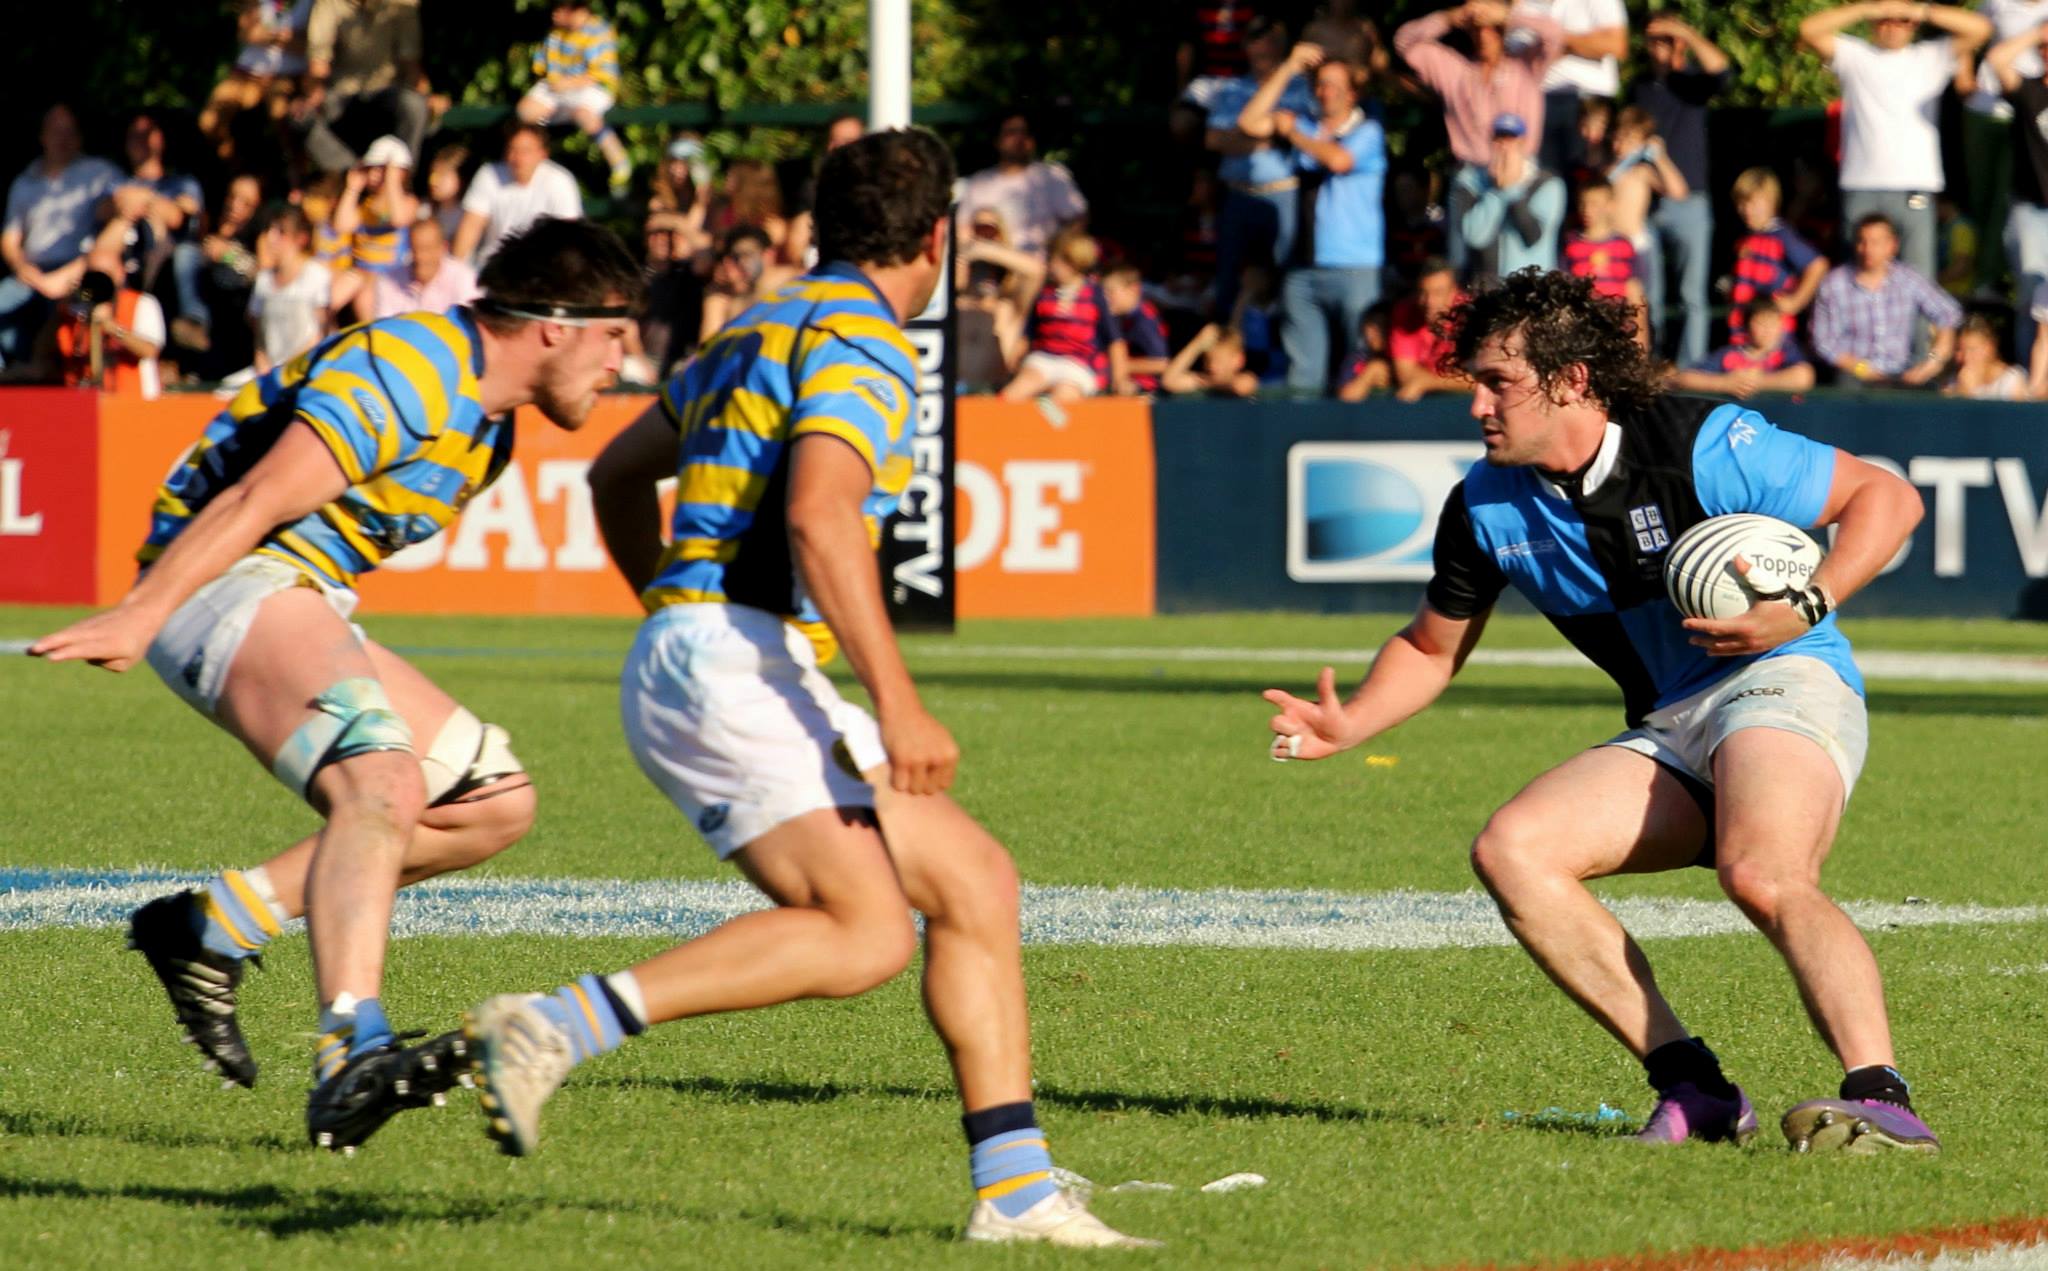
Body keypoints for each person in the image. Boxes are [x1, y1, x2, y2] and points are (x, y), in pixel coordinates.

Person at [464, 130, 1156, 1250]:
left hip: (719, 649)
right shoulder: (864, 347)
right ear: (934, 239)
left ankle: (1016, 1188)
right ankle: (550, 1025)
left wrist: (672, 608)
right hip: (738, 658)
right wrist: (895, 698)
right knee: (866, 931)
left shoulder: (759, 326)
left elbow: (613, 473)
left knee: (974, 878)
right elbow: (820, 515)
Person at [1265, 266, 1934, 1156]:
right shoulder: (1485, 503)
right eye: (1474, 383)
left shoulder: (1699, 440)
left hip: (1784, 678)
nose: (1477, 406)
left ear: (1572, 379)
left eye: (1497, 383)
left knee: (1763, 873)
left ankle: (1880, 1097)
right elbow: (1431, 647)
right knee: (1515, 849)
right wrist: (1350, 721)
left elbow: (1887, 498)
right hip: (1671, 723)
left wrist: (1806, 602)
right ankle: (1693, 1088)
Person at [30, 217, 641, 1153]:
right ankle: (350, 1047)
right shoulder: (415, 364)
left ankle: (211, 926)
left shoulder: (488, 434)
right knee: (383, 784)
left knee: (489, 805)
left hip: (292, 591)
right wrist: (143, 610)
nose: (623, 359)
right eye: (614, 331)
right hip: (220, 581)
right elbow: (256, 499)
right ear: (554, 324)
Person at [1798, 1, 1992, 283]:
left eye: (1901, 21)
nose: (1892, 26)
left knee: (1917, 282)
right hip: (1861, 187)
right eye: (1885, 20)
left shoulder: (1930, 56)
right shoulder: (1855, 55)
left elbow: (1981, 29)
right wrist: (1867, 8)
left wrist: (1920, 11)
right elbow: (1808, 30)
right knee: (1858, 282)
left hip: (1914, 189)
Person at [1238, 41, 1387, 395]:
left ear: (1352, 93)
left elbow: (1338, 160)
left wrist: (1292, 133)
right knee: (1304, 372)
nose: (1325, 92)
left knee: (1359, 364)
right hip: (1302, 266)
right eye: (1319, 83)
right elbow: (1248, 122)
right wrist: (1288, 68)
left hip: (1355, 266)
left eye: (1334, 84)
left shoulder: (1368, 132)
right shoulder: (1304, 126)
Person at [1393, 2, 1564, 272]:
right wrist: (1452, 16)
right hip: (1472, 179)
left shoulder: (1524, 66)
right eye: (1477, 31)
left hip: (1521, 174)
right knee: (1462, 264)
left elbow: (1554, 36)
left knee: (1523, 256)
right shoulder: (1456, 71)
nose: (1484, 37)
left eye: (1492, 30)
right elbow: (1405, 43)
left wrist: (1508, 15)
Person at [1204, 18, 1317, 318]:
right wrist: (1272, 135)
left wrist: (1246, 134)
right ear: (1245, 45)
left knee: (1285, 281)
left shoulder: (1301, 88)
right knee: (1229, 280)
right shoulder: (1231, 88)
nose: (1263, 45)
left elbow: (1304, 137)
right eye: (1255, 37)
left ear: (1282, 46)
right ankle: (1225, 350)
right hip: (1238, 197)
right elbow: (1214, 140)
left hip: (1284, 197)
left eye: (1271, 38)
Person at [1633, 15, 1729, 368]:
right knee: (1648, 293)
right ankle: (1650, 363)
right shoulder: (1639, 87)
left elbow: (1721, 71)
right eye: (1653, 40)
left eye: (1665, 39)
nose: (1658, 46)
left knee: (1692, 295)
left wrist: (1684, 32)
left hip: (1690, 201)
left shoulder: (1693, 82)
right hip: (1647, 200)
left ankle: (1692, 368)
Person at [0, 105, 122, 367]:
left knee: (58, 327)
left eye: (69, 132)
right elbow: (9, 239)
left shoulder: (99, 173)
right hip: (31, 273)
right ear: (43, 137)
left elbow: (122, 217)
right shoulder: (25, 181)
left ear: (79, 138)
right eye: (56, 132)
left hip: (80, 274)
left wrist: (74, 272)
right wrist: (22, 267)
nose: (62, 139)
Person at [1810, 212, 1963, 387]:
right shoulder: (1834, 284)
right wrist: (1861, 368)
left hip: (1902, 373)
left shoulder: (1908, 279)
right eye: (1862, 241)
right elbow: (1824, 342)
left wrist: (1933, 362)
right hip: (1856, 374)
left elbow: (1948, 314)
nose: (1867, 249)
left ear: (1892, 245)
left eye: (1876, 242)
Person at [293, 0, 431, 174]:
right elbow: (318, 64)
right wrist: (312, 96)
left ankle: (402, 178)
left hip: (388, 93)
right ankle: (350, 175)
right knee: (302, 118)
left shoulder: (402, 5)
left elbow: (411, 65)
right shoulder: (328, 4)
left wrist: (427, 96)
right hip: (341, 93)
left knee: (415, 105)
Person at [1000, 228, 1129, 402]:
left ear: (1074, 262)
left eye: (1057, 260)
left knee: (1062, 402)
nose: (1052, 265)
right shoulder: (1044, 294)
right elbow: (1027, 334)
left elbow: (1115, 342)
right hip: (1043, 360)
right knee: (1014, 394)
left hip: (1079, 365)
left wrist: (1119, 380)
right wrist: (1013, 364)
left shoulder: (1095, 295)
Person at [517, 1, 630, 195]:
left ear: (578, 9)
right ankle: (535, 161)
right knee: (525, 113)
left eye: (560, 9)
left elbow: (601, 74)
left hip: (592, 88)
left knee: (584, 113)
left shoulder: (598, 31)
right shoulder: (556, 33)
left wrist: (569, 84)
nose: (555, 14)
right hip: (559, 91)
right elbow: (542, 68)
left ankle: (618, 160)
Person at [1987, 20, 2048, 362]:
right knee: (2031, 295)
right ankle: (2031, 373)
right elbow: (1997, 60)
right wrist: (2037, 33)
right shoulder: (2031, 91)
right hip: (2032, 210)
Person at [957, 110, 1088, 259]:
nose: (1019, 138)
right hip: (991, 269)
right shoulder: (980, 182)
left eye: (1025, 133)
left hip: (1044, 265)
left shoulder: (1051, 176)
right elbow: (962, 228)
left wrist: (1057, 256)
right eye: (1011, 133)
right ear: (997, 140)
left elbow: (1077, 219)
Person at [1519, 0, 1628, 177]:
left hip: (1586, 100)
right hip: (1537, 99)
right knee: (1544, 177)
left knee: (1585, 181)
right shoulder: (1525, 4)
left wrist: (1559, 39)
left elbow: (1616, 45)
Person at [200, 0, 313, 167]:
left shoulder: (313, 4)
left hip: (285, 78)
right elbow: (246, 32)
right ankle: (233, 169)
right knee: (209, 121)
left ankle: (296, 177)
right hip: (245, 75)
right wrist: (283, 38)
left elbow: (313, 48)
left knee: (282, 118)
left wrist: (266, 35)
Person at [1455, 112, 1566, 281]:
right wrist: (1496, 193)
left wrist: (1512, 188)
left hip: (1533, 289)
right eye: (1498, 141)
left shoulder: (1548, 183)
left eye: (1510, 141)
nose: (1504, 148)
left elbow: (1532, 237)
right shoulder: (1473, 182)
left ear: (1522, 144)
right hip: (1490, 290)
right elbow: (1474, 237)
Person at [453, 124, 584, 266]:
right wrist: (456, 269)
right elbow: (471, 225)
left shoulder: (560, 181)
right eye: (513, 149)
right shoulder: (489, 174)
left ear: (543, 154)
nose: (517, 157)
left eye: (526, 151)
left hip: (542, 269)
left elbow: (567, 236)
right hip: (493, 268)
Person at [1727, 168, 1830, 346]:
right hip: (1746, 333)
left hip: (1775, 337)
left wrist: (1796, 301)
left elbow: (1818, 265)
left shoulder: (1782, 236)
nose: (1746, 210)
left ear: (1771, 202)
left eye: (1754, 203)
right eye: (1742, 204)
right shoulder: (1746, 238)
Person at [248, 204, 333, 375]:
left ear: (300, 238)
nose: (271, 238)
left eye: (281, 232)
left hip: (306, 371)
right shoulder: (263, 280)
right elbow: (259, 335)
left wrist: (291, 369)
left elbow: (323, 331)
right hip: (267, 373)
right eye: (270, 230)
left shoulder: (316, 275)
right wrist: (263, 363)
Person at [1670, 303, 1816, 398]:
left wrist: (1755, 382)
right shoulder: (1729, 355)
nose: (1768, 330)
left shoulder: (1787, 353)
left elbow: (1803, 377)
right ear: (1747, 327)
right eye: (1761, 324)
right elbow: (1684, 378)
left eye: (1773, 324)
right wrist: (1724, 383)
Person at [362, 215, 477, 319]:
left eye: (427, 249)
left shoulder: (464, 279)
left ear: (443, 248)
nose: (420, 257)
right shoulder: (388, 281)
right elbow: (384, 330)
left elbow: (469, 330)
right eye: (415, 249)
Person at [1561, 180, 1645, 324]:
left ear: (1610, 205)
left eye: (1594, 204)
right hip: (1583, 322)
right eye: (1583, 203)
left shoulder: (1624, 245)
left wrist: (1641, 337)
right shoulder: (1570, 244)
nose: (1587, 209)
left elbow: (1635, 293)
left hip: (1616, 323)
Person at [1391, 258, 1470, 400]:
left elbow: (1479, 379)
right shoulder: (1405, 312)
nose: (1429, 301)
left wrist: (1428, 383)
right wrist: (1454, 381)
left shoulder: (1471, 314)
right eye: (1423, 293)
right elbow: (1405, 373)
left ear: (1454, 292)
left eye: (1438, 293)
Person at [1104, 265, 1170, 393]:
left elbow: (1162, 363)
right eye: (1103, 293)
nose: (1105, 298)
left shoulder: (1144, 321)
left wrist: (1120, 365)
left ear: (1133, 289)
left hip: (1145, 386)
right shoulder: (1120, 317)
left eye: (1111, 291)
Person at [1944, 313, 2031, 398]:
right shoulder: (1954, 380)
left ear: (1990, 348)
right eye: (1959, 350)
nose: (1966, 357)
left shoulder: (2012, 381)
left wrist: (1969, 393)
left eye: (1972, 349)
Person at [1161, 323, 1261, 396]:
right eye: (1208, 360)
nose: (1212, 366)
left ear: (1238, 360)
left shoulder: (1245, 379)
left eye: (1219, 361)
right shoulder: (1204, 380)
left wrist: (1210, 383)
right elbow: (1169, 381)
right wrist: (1197, 344)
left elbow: (1241, 387)